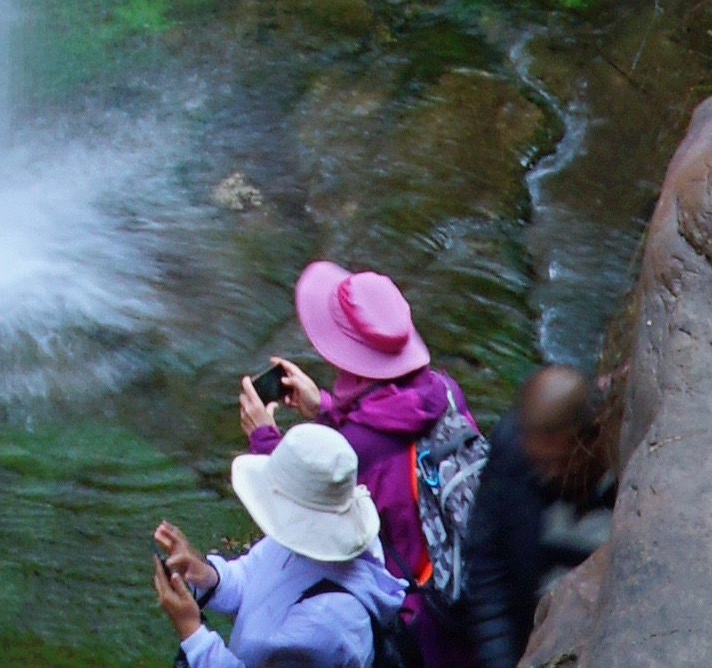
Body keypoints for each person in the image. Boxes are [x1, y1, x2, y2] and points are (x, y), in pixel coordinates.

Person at [241, 266, 475, 663]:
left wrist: (265, 440)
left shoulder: (357, 448)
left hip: (411, 623)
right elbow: (387, 434)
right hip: (458, 585)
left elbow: (302, 513)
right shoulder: (445, 391)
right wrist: (326, 409)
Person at [152, 424, 409, 665]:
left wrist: (192, 631)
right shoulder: (315, 538)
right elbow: (252, 574)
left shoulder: (323, 627)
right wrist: (206, 575)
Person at [462, 365, 615, 668]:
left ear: (592, 437)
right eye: (537, 463)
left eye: (558, 463)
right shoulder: (513, 453)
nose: (543, 476)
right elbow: (488, 567)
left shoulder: (625, 476)